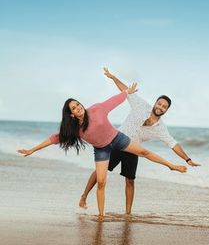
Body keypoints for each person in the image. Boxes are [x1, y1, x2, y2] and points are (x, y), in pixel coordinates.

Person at [17, 82, 187, 218]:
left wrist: (127, 91)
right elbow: (54, 138)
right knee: (101, 181)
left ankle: (171, 166)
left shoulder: (97, 109)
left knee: (144, 152)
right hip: (101, 150)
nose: (78, 108)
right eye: (74, 108)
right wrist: (32, 150)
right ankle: (100, 215)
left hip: (117, 138)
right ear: (71, 115)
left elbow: (115, 100)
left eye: (78, 104)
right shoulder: (74, 129)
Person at [79, 68, 200, 214]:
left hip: (132, 149)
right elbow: (126, 91)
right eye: (159, 104)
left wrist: (187, 159)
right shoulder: (141, 106)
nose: (160, 107)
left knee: (130, 181)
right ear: (155, 103)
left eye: (164, 107)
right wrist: (113, 78)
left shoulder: (160, 128)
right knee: (100, 174)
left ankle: (128, 213)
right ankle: (84, 196)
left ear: (166, 110)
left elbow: (173, 144)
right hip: (116, 142)